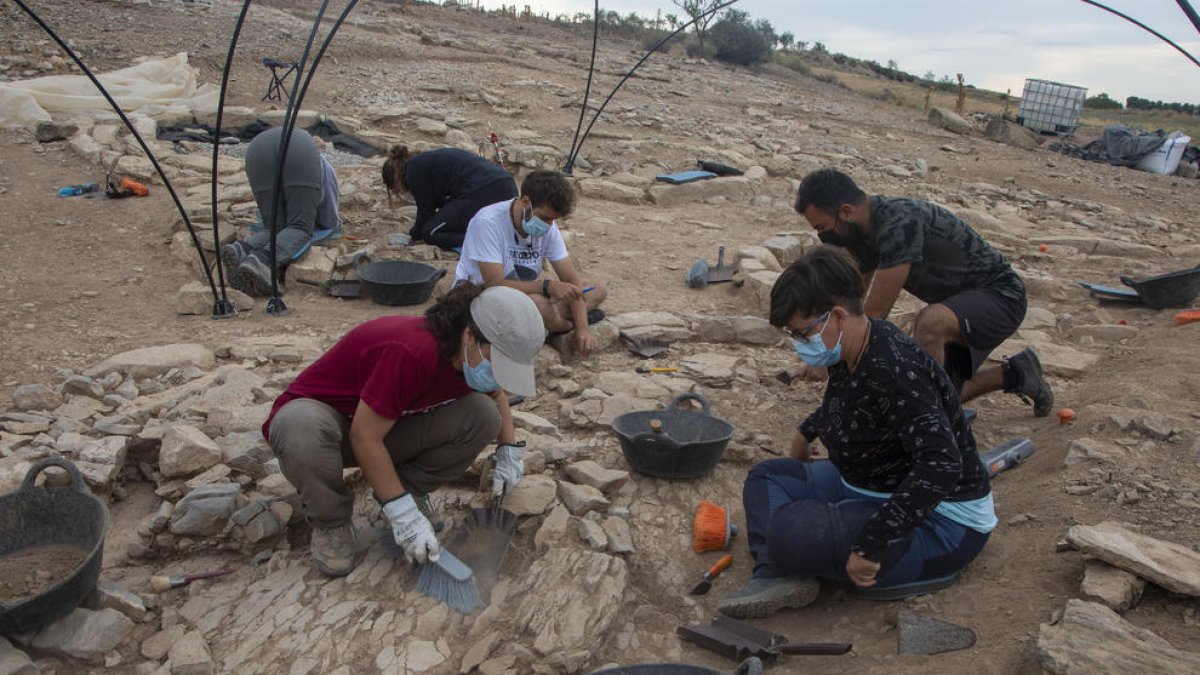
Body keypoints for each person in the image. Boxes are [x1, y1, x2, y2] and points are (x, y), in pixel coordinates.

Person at [717, 247, 996, 618]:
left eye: (802, 334)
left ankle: (790, 558)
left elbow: (942, 465)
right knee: (768, 476)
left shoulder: (894, 370)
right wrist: (805, 433)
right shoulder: (858, 344)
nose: (800, 345)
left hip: (939, 524)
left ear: (836, 316)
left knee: (787, 533)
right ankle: (778, 572)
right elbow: (848, 404)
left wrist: (872, 542)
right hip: (870, 485)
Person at [261, 283, 544, 577]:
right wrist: (404, 517)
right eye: (498, 361)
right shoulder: (412, 351)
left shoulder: (467, 359)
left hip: (381, 425)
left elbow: (496, 397)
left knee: (483, 415)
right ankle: (331, 523)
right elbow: (364, 436)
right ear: (469, 336)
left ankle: (405, 489)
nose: (499, 374)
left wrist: (508, 450)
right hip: (329, 428)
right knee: (301, 428)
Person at [792, 169, 1053, 417]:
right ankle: (1016, 373)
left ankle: (928, 420)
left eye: (823, 229)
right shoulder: (861, 230)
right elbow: (851, 297)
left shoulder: (899, 223)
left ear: (846, 212)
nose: (824, 239)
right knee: (919, 392)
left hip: (1002, 298)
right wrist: (823, 346)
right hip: (959, 305)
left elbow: (875, 314)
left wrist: (832, 362)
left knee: (929, 326)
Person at [454, 170, 608, 356]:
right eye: (545, 218)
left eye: (553, 220)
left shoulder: (547, 227)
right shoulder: (488, 222)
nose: (549, 225)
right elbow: (494, 284)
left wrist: (583, 329)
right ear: (525, 202)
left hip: (525, 293)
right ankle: (563, 325)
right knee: (536, 304)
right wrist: (548, 287)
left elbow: (570, 277)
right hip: (482, 297)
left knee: (597, 287)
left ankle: (552, 321)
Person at [223, 126, 343, 297]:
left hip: (256, 150)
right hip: (297, 149)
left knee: (275, 229)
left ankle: (240, 250)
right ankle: (262, 261)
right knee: (300, 227)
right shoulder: (325, 168)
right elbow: (330, 222)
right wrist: (327, 225)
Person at [380, 145, 518, 249]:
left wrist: (414, 235)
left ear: (395, 178)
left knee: (431, 232)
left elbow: (426, 210)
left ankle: (486, 241)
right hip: (504, 185)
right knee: (452, 222)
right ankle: (490, 236)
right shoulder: (425, 162)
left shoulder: (413, 170)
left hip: (484, 190)